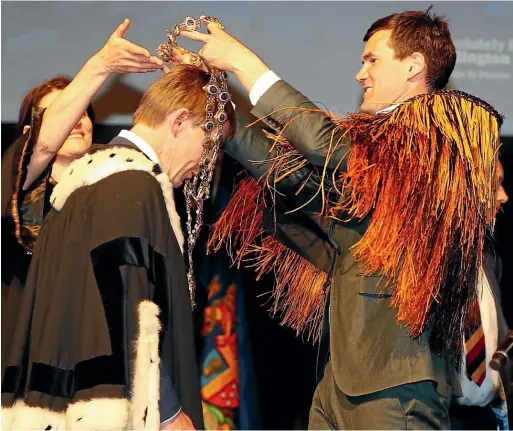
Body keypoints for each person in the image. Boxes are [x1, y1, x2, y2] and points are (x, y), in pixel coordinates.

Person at [178, 9, 505, 429]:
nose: (359, 73)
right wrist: (218, 107)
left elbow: (323, 145)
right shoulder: (381, 157)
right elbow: (300, 180)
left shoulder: (439, 141)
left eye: (372, 59)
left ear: (413, 65)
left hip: (396, 387)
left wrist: (243, 62)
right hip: (344, 381)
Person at [1, 63, 235, 430]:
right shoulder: (131, 186)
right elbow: (124, 309)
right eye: (210, 145)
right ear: (179, 122)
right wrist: (169, 412)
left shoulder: (82, 185)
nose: (208, 162)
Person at [1, 17, 162, 363]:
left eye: (84, 111)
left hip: (98, 367)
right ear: (30, 131)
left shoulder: (117, 186)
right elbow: (40, 149)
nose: (77, 119)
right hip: (28, 368)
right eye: (62, 111)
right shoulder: (16, 191)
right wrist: (101, 65)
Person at [450, 160, 511, 430]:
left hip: (486, 418)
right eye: (495, 184)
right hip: (439, 419)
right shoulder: (421, 272)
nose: (504, 195)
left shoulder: (488, 260)